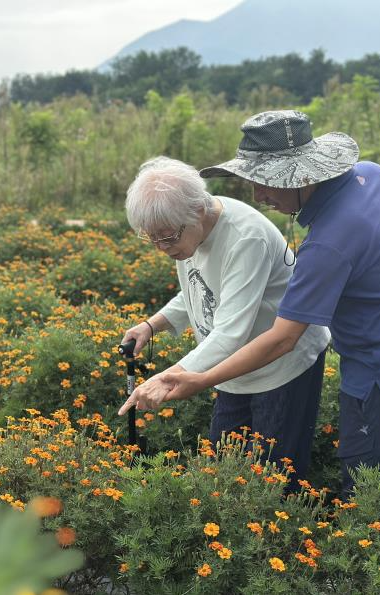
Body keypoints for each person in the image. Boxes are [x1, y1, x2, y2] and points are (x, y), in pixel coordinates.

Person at [154, 110, 380, 494]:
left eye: (267, 183)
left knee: (375, 498)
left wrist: (200, 379)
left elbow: (283, 339)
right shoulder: (374, 176)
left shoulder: (329, 243)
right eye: (252, 183)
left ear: (303, 177)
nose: (258, 196)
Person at [117, 156, 330, 486]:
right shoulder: (189, 231)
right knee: (223, 470)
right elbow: (201, 289)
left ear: (197, 211)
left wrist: (168, 378)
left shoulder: (245, 239)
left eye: (167, 237)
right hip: (230, 369)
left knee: (274, 476)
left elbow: (230, 333)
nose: (161, 248)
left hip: (281, 368)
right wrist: (152, 324)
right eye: (152, 238)